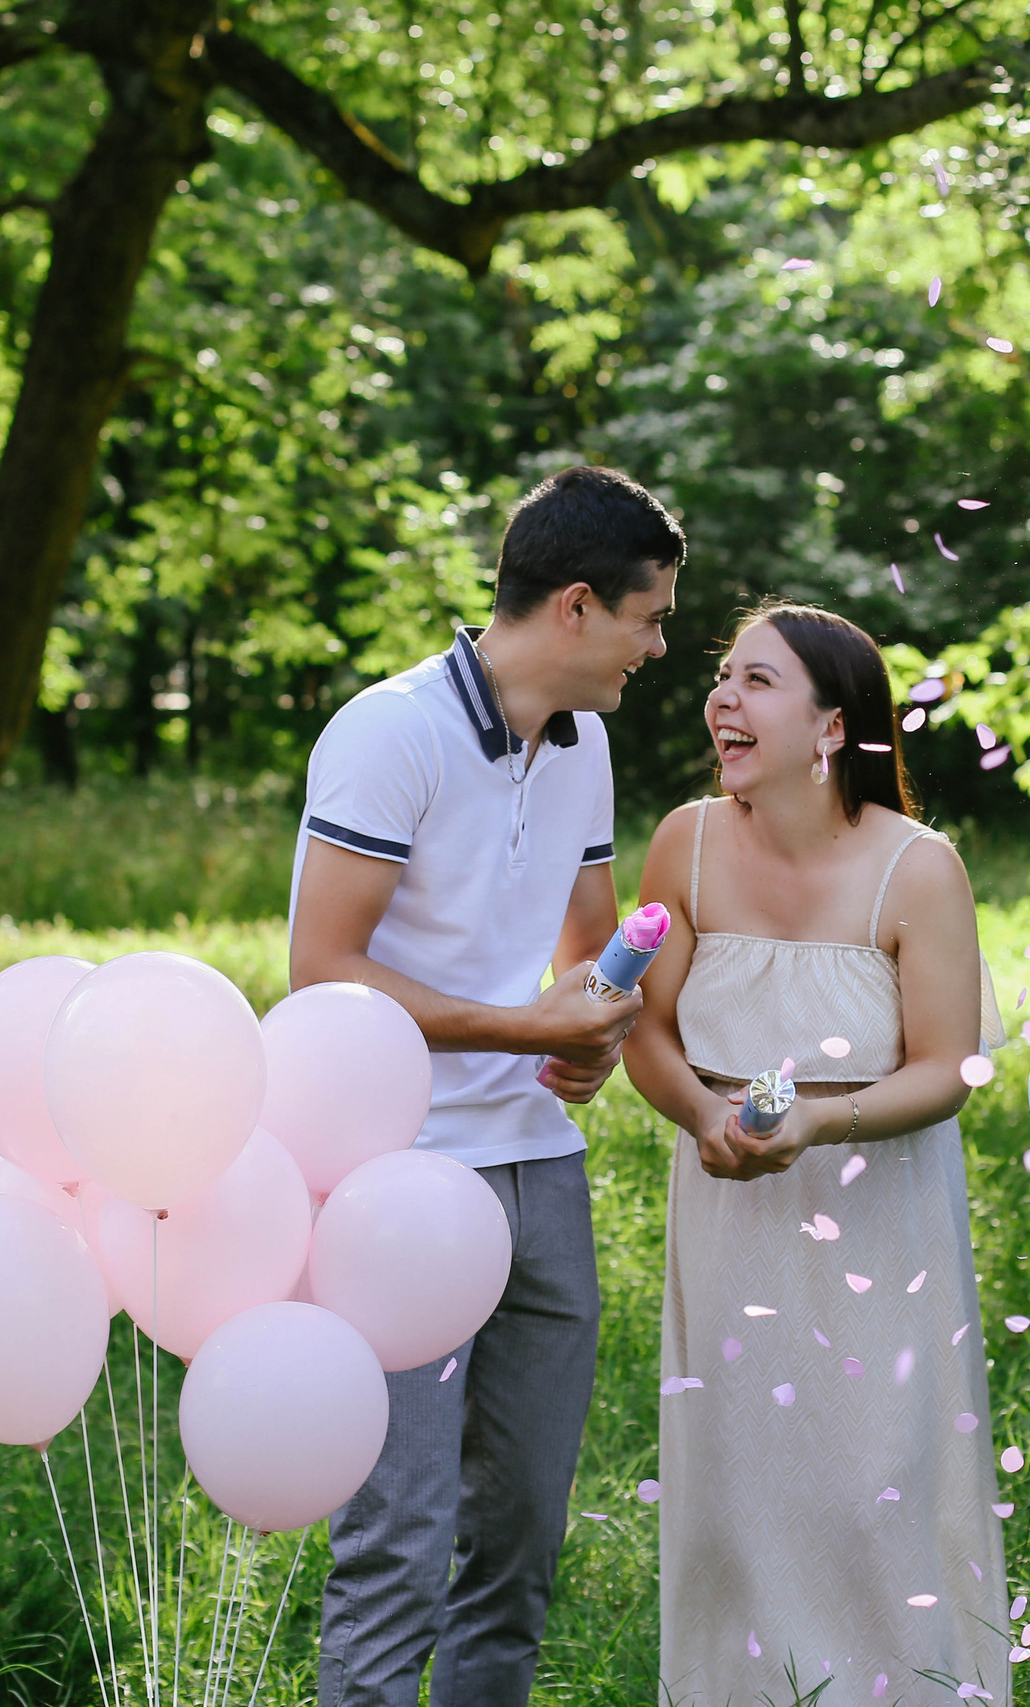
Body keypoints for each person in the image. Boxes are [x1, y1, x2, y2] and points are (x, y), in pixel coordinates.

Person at [287, 465, 683, 1707]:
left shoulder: (586, 746)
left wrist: (593, 1031)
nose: (659, 647)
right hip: (394, 1180)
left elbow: (589, 939)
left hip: (539, 1180)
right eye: (650, 616)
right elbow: (324, 973)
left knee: (519, 1547)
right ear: (576, 606)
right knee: (395, 1546)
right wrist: (523, 1027)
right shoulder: (385, 732)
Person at [622, 601, 1011, 1707]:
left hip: (875, 1199)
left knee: (873, 1483)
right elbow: (646, 1027)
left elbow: (945, 1066)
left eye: (756, 682)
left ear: (831, 726)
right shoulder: (685, 842)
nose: (722, 700)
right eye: (722, 678)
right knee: (741, 1492)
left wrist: (816, 1125)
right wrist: (703, 1117)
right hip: (730, 1200)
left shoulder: (916, 868)